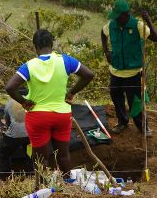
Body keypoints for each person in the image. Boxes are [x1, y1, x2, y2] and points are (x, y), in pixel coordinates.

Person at [5, 29, 94, 179]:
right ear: (52, 44)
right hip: (62, 116)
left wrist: (24, 101)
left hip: (38, 116)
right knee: (64, 155)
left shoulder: (29, 66)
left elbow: (10, 87)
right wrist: (71, 92)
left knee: (41, 159)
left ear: (35, 46)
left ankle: (42, 193)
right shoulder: (65, 60)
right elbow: (89, 75)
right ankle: (69, 187)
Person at [100, 0, 157, 136]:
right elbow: (102, 33)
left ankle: (143, 126)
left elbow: (155, 38)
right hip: (115, 71)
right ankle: (122, 122)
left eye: (117, 16)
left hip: (133, 73)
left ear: (126, 14)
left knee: (136, 102)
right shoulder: (112, 24)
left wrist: (148, 20)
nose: (115, 19)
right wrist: (106, 51)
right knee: (116, 97)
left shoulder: (138, 25)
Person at [0, 97, 32, 175]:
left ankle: (6, 177)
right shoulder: (34, 100)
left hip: (15, 135)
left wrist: (10, 128)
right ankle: (31, 175)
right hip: (32, 134)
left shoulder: (11, 102)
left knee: (2, 152)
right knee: (31, 154)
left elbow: (7, 119)